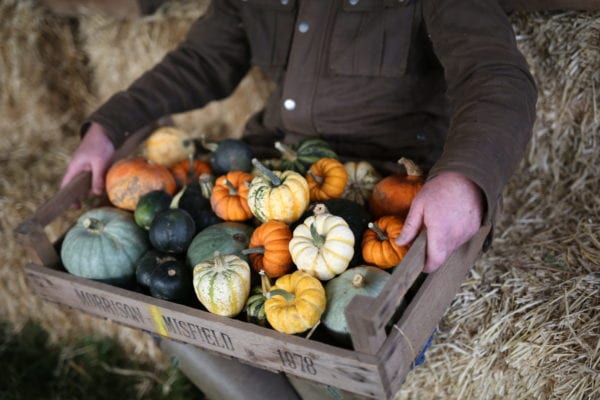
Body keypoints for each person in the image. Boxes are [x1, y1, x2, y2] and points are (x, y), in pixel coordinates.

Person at [61, 0, 537, 273]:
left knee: (352, 340)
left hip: (387, 189)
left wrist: (463, 178)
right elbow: (201, 61)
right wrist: (109, 125)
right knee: (169, 283)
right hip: (272, 166)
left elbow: (494, 75)